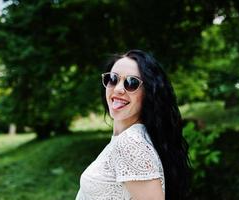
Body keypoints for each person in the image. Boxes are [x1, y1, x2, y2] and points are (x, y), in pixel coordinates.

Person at [76, 49, 191, 200]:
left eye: (131, 83)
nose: (118, 89)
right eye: (113, 79)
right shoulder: (125, 138)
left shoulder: (130, 144)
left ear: (149, 93)